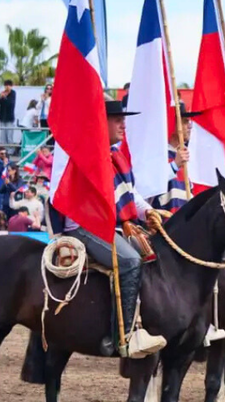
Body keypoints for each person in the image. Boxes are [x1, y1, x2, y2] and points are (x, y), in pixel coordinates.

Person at [55, 100, 167, 358]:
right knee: (129, 262)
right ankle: (121, 336)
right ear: (100, 123)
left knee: (155, 255)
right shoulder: (89, 155)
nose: (123, 124)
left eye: (123, 119)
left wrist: (148, 212)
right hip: (85, 226)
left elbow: (130, 194)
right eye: (117, 119)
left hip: (111, 226)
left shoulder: (115, 156)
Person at [0, 81, 17, 149]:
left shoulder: (13, 93)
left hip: (10, 118)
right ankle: (3, 150)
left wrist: (5, 97)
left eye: (9, 85)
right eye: (6, 85)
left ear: (11, 86)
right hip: (2, 117)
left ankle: (10, 150)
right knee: (2, 136)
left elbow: (10, 103)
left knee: (9, 135)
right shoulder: (2, 93)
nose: (7, 87)